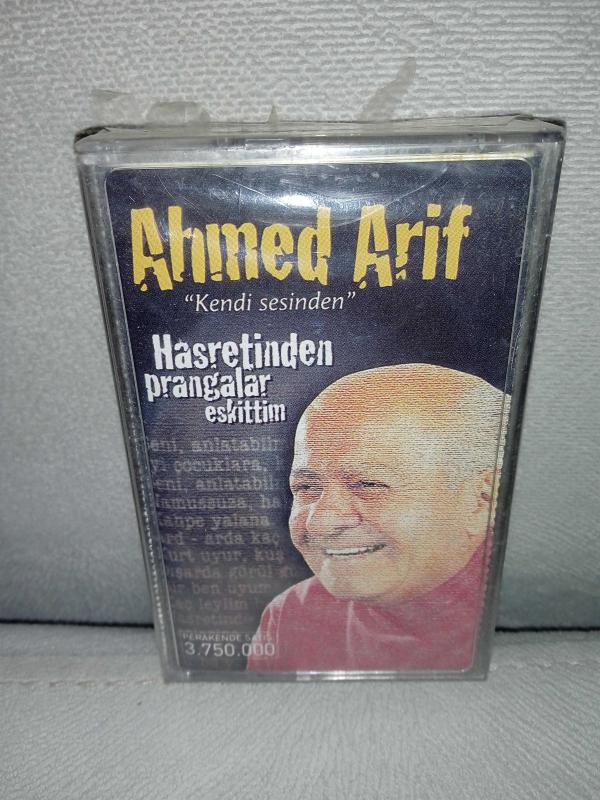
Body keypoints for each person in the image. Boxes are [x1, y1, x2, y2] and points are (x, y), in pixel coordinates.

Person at [247, 364, 509, 673]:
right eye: (306, 487)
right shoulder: (292, 617)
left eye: (368, 485)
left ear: (483, 499)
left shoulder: (520, 613)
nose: (321, 523)